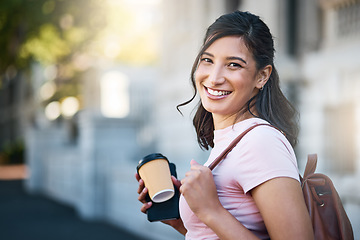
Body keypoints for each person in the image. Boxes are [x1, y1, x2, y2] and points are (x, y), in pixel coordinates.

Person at [136, 10, 314, 240]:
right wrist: (185, 220)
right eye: (208, 60)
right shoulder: (232, 141)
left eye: (233, 65)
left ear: (262, 76)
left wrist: (210, 210)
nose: (214, 77)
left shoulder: (261, 142)